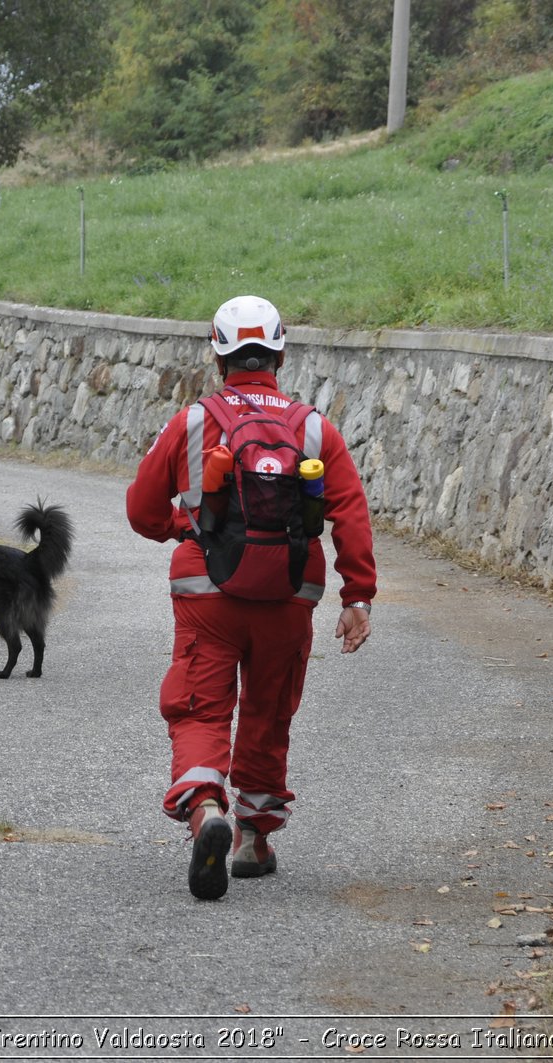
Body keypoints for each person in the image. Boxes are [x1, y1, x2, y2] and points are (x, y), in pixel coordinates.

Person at [125, 294, 377, 900]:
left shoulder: (190, 422)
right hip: (290, 596)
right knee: (268, 711)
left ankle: (205, 807)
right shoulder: (316, 429)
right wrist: (357, 596)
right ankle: (252, 837)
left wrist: (185, 528)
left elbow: (139, 511)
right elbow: (351, 515)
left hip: (205, 594)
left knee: (198, 707)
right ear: (280, 354)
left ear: (218, 357)